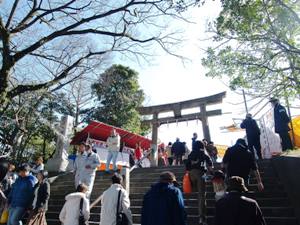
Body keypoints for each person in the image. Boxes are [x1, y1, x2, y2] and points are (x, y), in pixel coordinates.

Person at [187, 140, 213, 225]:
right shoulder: (203, 154)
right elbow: (210, 163)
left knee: (194, 191)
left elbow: (187, 166)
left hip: (191, 174)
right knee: (202, 195)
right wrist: (211, 172)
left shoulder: (190, 154)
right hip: (200, 174)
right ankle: (202, 217)